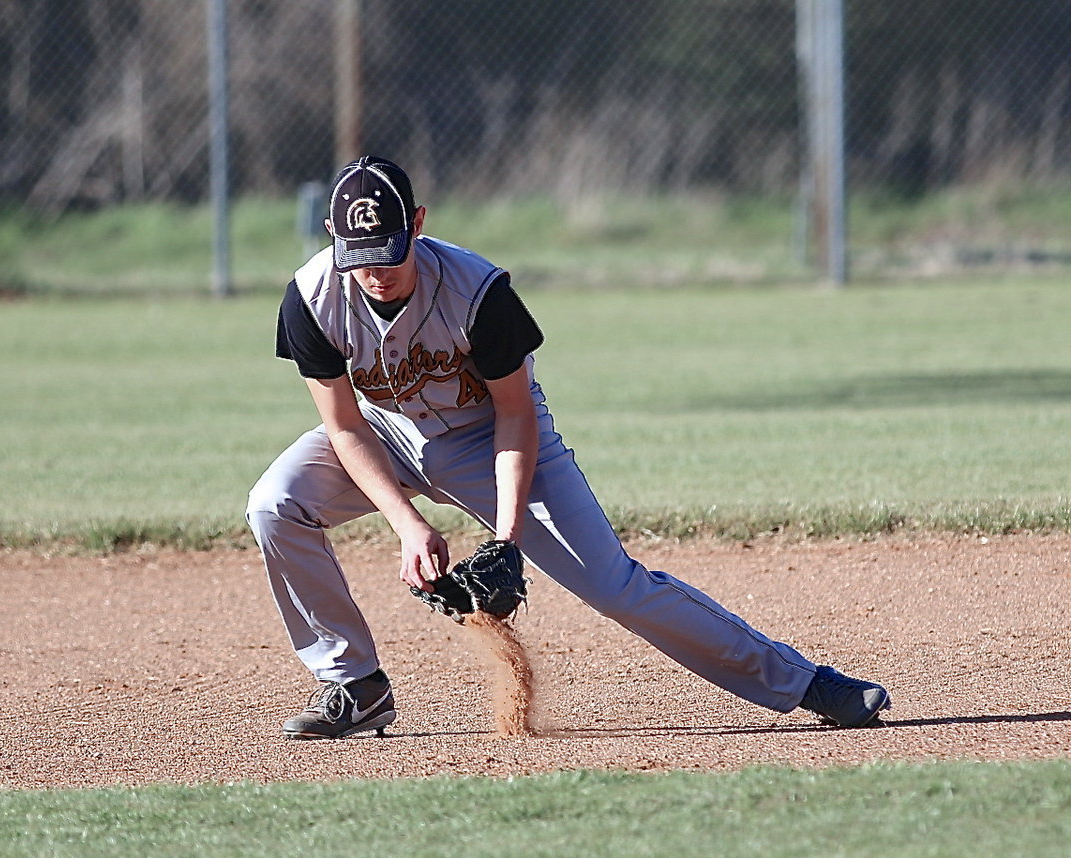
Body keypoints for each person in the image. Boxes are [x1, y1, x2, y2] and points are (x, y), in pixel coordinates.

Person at [247, 155, 891, 739]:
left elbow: (514, 413)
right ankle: (355, 683)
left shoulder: (477, 293)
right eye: (359, 256)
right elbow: (344, 426)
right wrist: (407, 522)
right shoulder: (311, 300)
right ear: (334, 243)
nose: (376, 272)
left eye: (389, 250)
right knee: (275, 503)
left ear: (418, 224)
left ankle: (805, 683)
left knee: (617, 587)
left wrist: (504, 542)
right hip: (383, 431)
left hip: (486, 436)